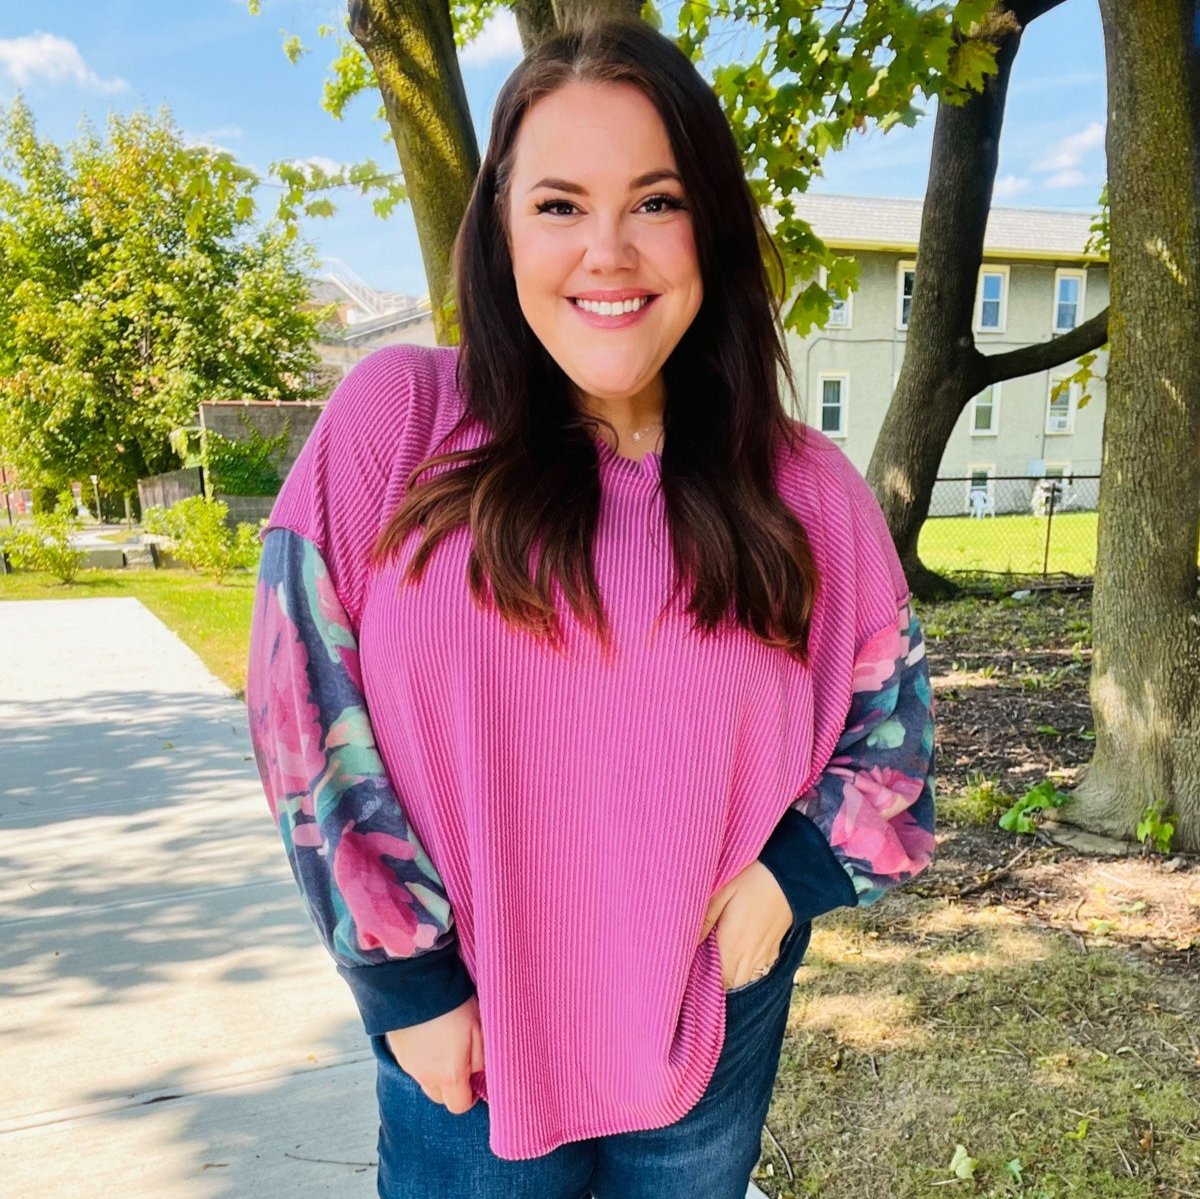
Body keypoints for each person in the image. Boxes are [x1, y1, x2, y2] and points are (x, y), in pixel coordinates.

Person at [245, 15, 936, 1199]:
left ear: (708, 225)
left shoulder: (804, 490)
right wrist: (409, 984)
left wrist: (783, 886)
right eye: (560, 204)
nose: (608, 251)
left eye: (655, 201)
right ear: (502, 226)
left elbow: (895, 741)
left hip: (706, 1026)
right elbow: (300, 714)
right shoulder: (397, 423)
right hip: (470, 1039)